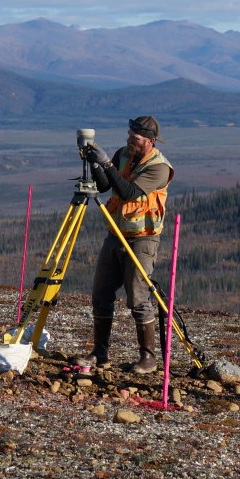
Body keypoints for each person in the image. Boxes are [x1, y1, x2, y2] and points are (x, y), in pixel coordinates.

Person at [74, 116, 174, 374]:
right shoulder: (123, 155)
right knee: (101, 294)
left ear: (150, 141)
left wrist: (106, 162)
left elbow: (130, 192)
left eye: (135, 138)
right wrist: (96, 164)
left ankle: (148, 358)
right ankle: (100, 353)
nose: (130, 140)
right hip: (115, 234)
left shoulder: (160, 168)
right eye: (129, 135)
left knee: (138, 298)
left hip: (142, 238)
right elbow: (106, 186)